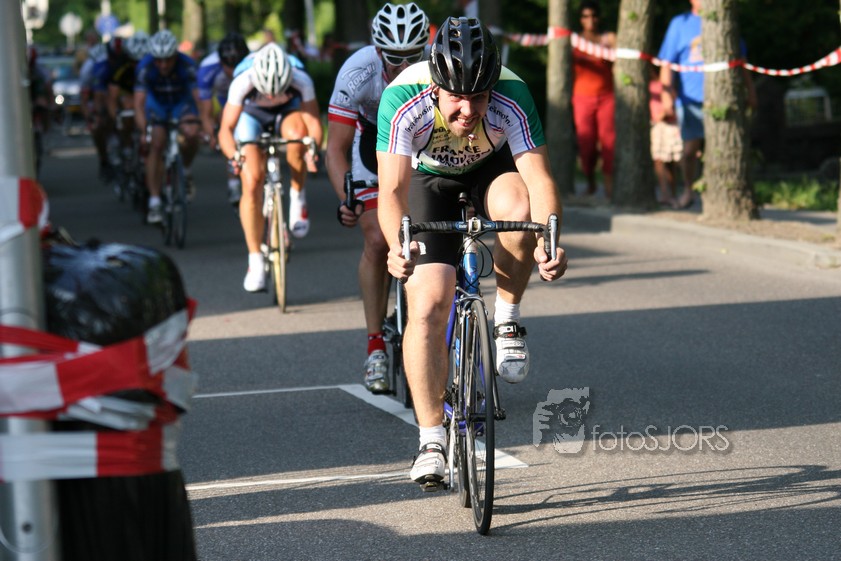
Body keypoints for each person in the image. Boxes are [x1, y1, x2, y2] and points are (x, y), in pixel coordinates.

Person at [376, 16, 568, 488]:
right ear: (434, 87)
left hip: (491, 170)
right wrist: (398, 245)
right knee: (429, 301)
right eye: (456, 98)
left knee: (519, 210)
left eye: (478, 97)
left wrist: (550, 240)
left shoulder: (513, 94)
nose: (467, 109)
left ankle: (507, 318)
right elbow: (392, 191)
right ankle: (430, 440)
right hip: (427, 179)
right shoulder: (402, 97)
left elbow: (540, 180)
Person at [326, 2, 430, 394]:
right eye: (394, 58)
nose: (404, 67)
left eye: (412, 57)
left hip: (422, 141)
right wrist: (347, 199)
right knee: (376, 238)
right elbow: (335, 148)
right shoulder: (358, 71)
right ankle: (375, 348)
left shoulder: (438, 66)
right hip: (373, 143)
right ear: (378, 50)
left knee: (434, 228)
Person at [218, 43, 323, 293]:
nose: (272, 96)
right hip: (251, 116)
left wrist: (313, 150)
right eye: (267, 92)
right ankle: (255, 259)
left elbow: (313, 124)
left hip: (286, 114)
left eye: (279, 90)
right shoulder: (243, 80)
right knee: (252, 180)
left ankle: (297, 195)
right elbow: (226, 130)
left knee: (298, 136)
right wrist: (234, 155)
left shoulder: (301, 78)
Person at [658, 0, 756, 209]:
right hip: (689, 100)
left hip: (724, 99)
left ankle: (721, 192)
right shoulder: (680, 23)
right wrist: (666, 96)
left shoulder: (724, 20)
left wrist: (751, 92)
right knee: (689, 151)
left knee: (722, 147)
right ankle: (688, 190)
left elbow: (741, 62)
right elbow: (666, 63)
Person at [134, 29, 202, 224]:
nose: (163, 65)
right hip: (157, 105)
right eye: (159, 60)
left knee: (192, 133)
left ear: (175, 56)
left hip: (181, 103)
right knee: (156, 143)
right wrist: (144, 131)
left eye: (168, 60)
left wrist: (202, 123)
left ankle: (185, 170)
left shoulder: (188, 65)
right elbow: (139, 104)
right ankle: (155, 201)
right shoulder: (144, 67)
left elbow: (199, 98)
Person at [198, 32, 250, 204]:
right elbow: (205, 112)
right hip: (221, 99)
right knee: (225, 128)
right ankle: (233, 182)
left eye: (238, 65)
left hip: (245, 98)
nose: (234, 71)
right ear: (221, 62)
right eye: (229, 66)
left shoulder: (253, 63)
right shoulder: (207, 68)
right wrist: (212, 134)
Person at [571, 0, 616, 198]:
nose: (590, 19)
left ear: (599, 17)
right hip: (582, 98)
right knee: (586, 145)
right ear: (580, 19)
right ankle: (590, 182)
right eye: (586, 16)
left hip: (607, 97)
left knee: (609, 143)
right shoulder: (574, 41)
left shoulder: (607, 39)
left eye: (594, 15)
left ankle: (609, 187)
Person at [648, 65, 683, 207]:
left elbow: (670, 109)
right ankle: (666, 194)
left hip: (667, 125)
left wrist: (660, 116)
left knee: (668, 162)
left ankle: (670, 194)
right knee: (661, 161)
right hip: (659, 126)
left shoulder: (666, 86)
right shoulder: (652, 85)